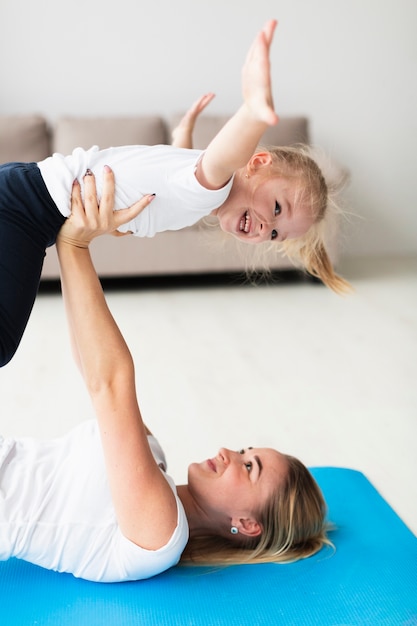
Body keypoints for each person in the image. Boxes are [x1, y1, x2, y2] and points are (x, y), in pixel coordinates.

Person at [0, 169, 331, 583]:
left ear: (247, 524)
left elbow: (111, 384)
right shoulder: (152, 458)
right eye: (247, 451)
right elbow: (92, 367)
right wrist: (72, 239)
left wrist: (73, 242)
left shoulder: (161, 534)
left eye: (249, 468)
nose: (230, 453)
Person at [0, 19, 350, 368]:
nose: (265, 228)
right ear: (256, 162)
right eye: (276, 207)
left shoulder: (197, 193)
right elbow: (217, 164)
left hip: (21, 191)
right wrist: (254, 111)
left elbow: (170, 179)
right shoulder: (213, 188)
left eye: (276, 233)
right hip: (28, 210)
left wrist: (182, 136)